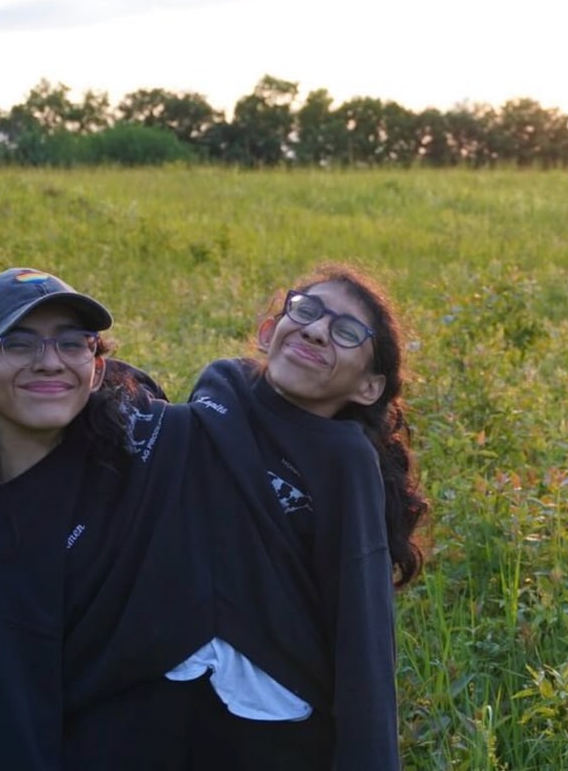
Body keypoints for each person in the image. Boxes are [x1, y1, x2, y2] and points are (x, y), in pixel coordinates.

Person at [105, 262, 429, 770]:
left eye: (347, 332)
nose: (317, 330)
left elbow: (363, 637)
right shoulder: (214, 400)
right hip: (161, 686)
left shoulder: (345, 463)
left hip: (272, 719)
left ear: (369, 387)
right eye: (306, 310)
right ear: (269, 331)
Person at [0, 266, 177, 770]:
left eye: (72, 343)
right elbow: (16, 750)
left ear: (96, 369)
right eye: (19, 344)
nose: (50, 363)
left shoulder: (134, 439)